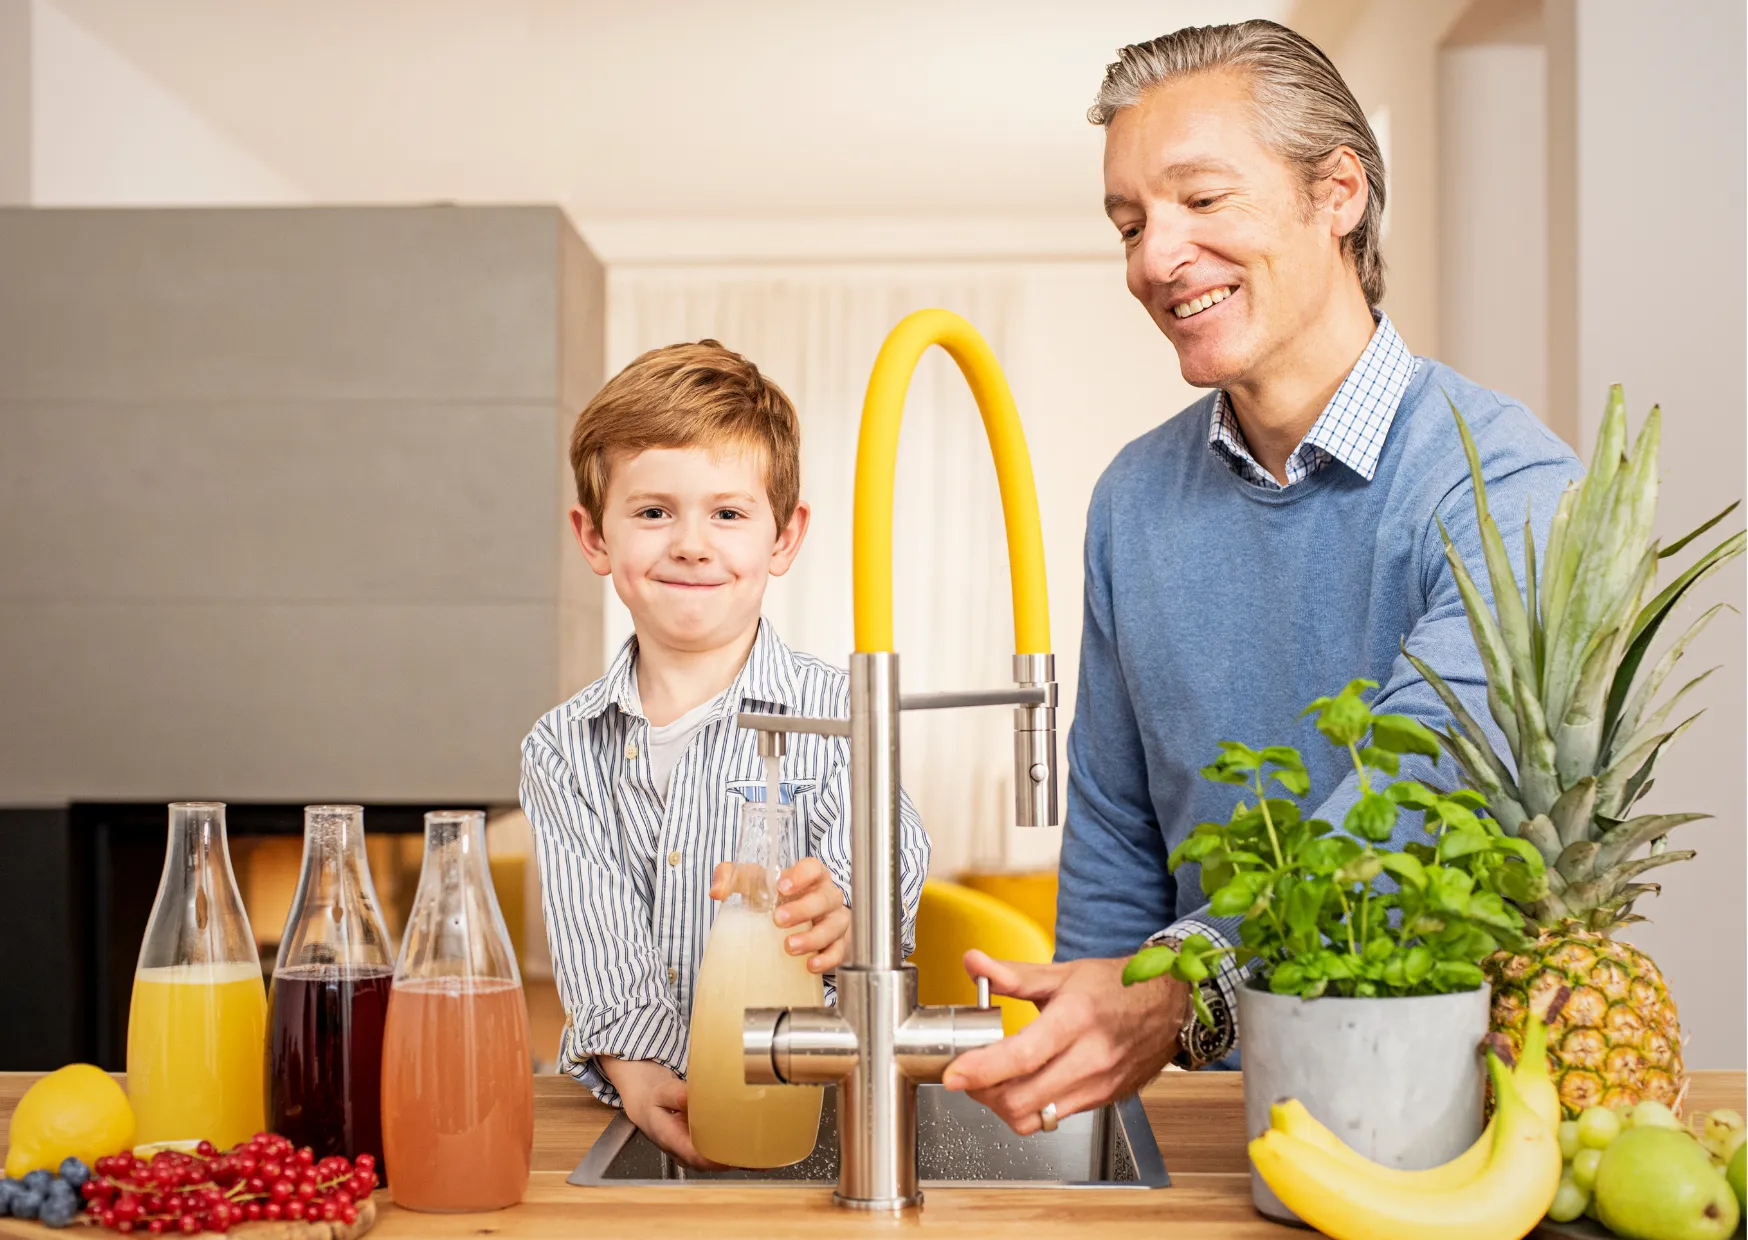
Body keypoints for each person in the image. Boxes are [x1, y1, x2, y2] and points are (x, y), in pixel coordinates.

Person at [942, 20, 1581, 1133]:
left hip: (1456, 1111)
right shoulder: (1132, 500)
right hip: (1212, 1116)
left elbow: (1415, 808)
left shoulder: (1508, 482)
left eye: (1200, 200)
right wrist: (1090, 1070)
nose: (1152, 257)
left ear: (1336, 192)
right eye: (1130, 222)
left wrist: (1173, 990)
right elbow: (1114, 834)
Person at [520, 341, 929, 1166]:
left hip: (805, 1105)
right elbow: (597, 944)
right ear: (594, 537)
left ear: (785, 537)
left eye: (729, 514)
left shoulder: (839, 712)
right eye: (654, 512)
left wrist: (846, 909)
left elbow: (894, 854)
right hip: (638, 1106)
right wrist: (637, 1072)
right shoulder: (562, 749)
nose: (693, 545)